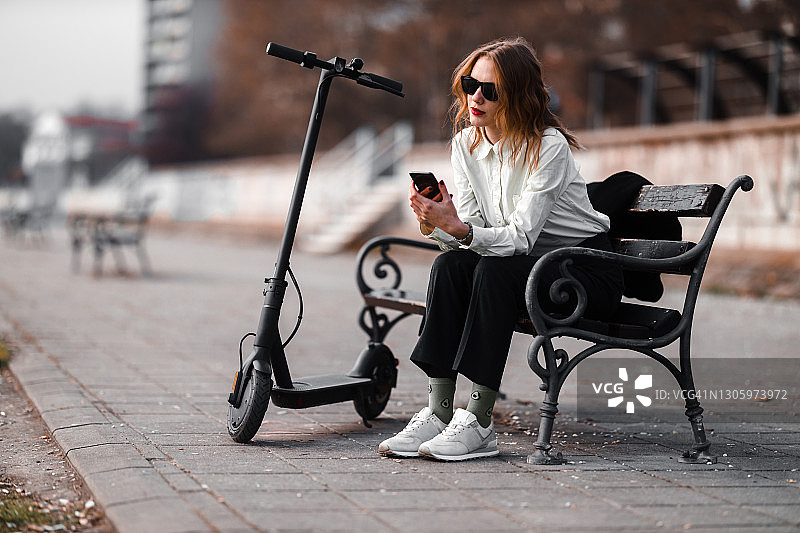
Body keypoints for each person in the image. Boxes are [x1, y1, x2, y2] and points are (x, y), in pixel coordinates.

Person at [377, 37, 625, 461]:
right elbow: (472, 230)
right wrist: (436, 224)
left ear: (517, 96)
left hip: (583, 271)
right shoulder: (466, 145)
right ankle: (438, 412)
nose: (476, 96)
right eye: (471, 84)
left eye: (490, 90)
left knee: (491, 270)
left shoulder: (548, 147)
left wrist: (460, 229)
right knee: (452, 265)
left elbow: (520, 237)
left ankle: (478, 420)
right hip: (527, 266)